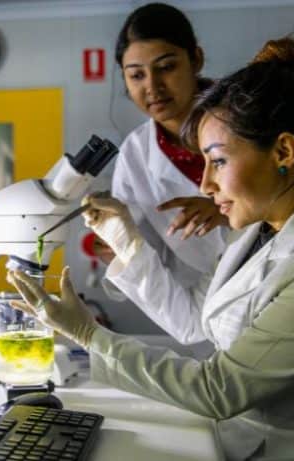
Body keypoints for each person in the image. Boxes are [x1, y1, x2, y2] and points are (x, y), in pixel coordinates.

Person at [9, 37, 294, 460]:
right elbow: (198, 319)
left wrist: (88, 334)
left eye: (218, 161)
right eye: (204, 163)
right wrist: (127, 240)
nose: (205, 185)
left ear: (284, 151)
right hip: (244, 441)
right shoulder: (259, 233)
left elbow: (219, 389)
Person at [93, 3, 227, 341]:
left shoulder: (245, 119)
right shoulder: (136, 156)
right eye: (136, 75)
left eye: (166, 67)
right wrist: (119, 248)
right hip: (209, 311)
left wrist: (225, 210)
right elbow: (148, 256)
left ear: (195, 59)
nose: (152, 86)